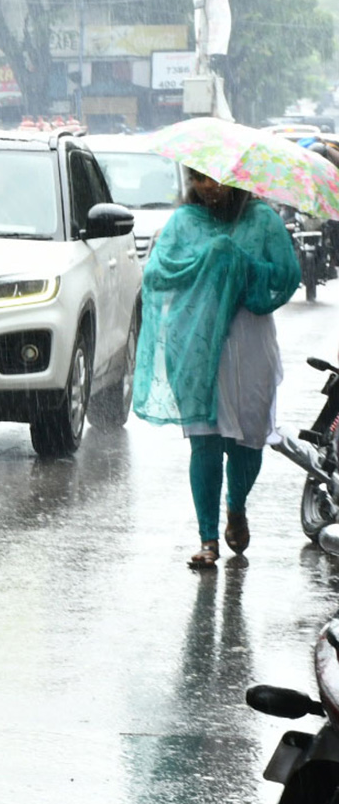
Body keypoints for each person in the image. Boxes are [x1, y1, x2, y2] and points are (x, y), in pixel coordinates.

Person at [133, 167, 300, 569]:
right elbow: (157, 274)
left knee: (249, 439)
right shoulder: (183, 223)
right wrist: (205, 260)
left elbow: (287, 276)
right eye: (200, 180)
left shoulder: (262, 221)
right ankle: (208, 538)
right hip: (195, 342)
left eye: (217, 179)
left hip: (250, 341)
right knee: (205, 441)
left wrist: (243, 264)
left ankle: (236, 505)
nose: (209, 188)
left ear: (238, 179)